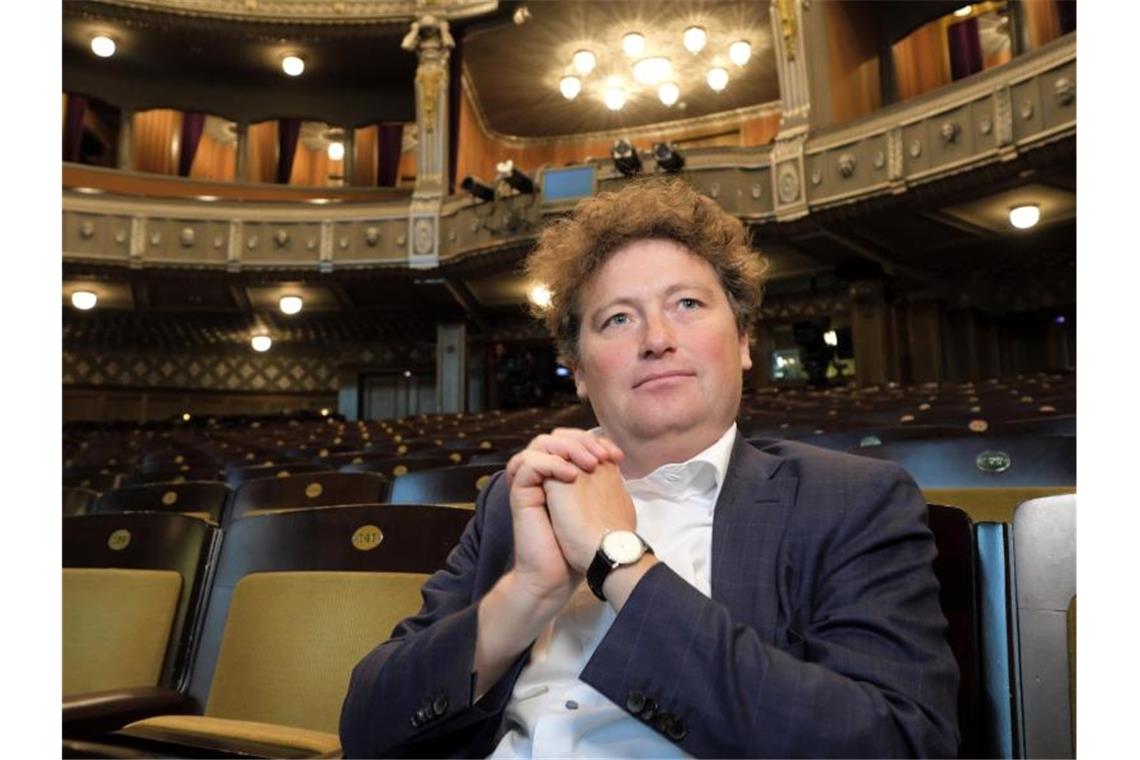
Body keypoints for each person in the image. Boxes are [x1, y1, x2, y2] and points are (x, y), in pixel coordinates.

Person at [339, 178, 959, 757]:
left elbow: (895, 740)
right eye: (618, 318)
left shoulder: (850, 498)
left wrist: (619, 562)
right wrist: (524, 596)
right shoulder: (514, 500)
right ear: (579, 371)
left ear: (743, 341)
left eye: (687, 303)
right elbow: (367, 727)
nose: (656, 338)